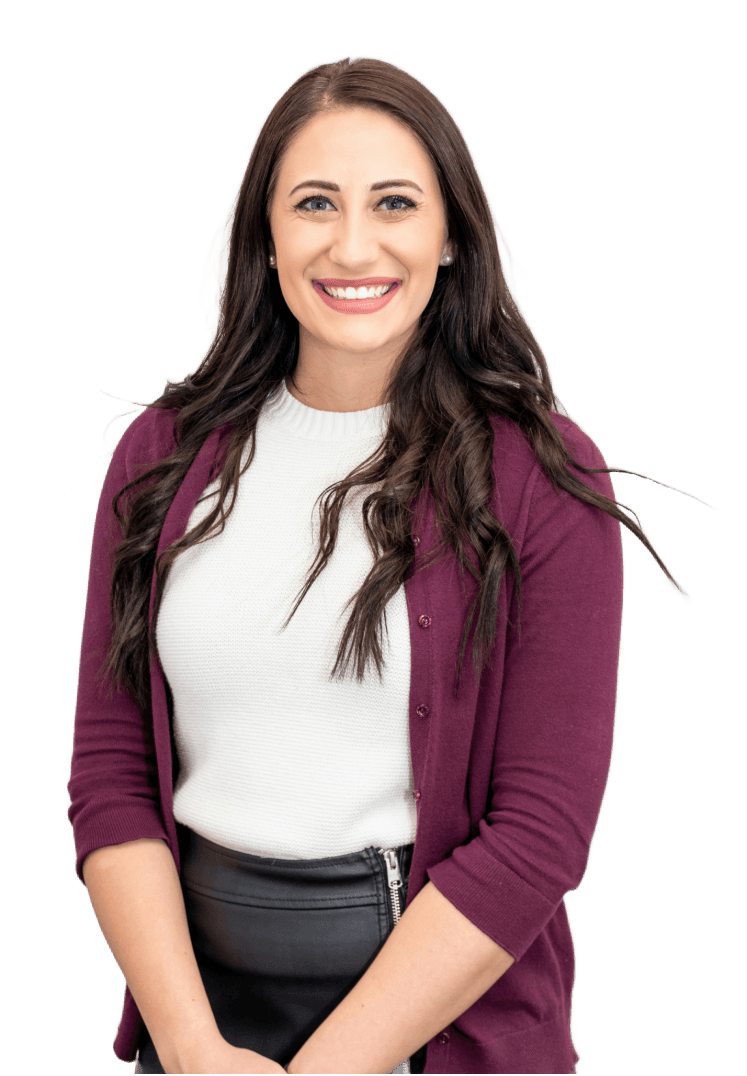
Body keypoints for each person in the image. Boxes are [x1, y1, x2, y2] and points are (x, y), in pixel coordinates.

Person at [65, 53, 707, 1075]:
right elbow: (108, 777)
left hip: (440, 1032)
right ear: (264, 236)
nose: (352, 243)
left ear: (451, 234)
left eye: (395, 202)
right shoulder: (164, 451)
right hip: (206, 1025)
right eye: (313, 202)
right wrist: (189, 1046)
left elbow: (542, 830)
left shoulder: (539, 471)